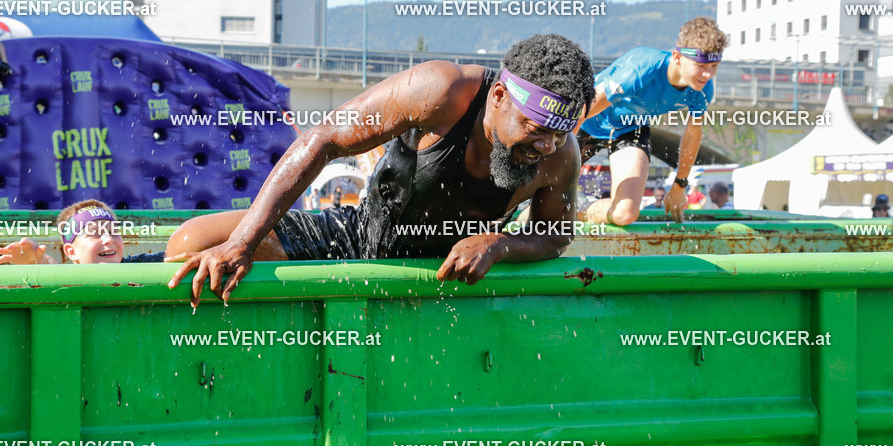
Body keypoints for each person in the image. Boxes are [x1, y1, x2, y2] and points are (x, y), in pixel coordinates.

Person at [167, 34, 595, 305]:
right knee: (194, 241)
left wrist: (500, 245)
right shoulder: (442, 92)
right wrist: (241, 243)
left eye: (560, 134)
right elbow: (324, 139)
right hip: (360, 240)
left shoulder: (560, 154)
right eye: (536, 129)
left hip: (447, 283)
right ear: (499, 95)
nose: (546, 146)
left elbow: (554, 235)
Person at [575, 17, 726, 225]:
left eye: (714, 66)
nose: (708, 74)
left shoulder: (702, 90)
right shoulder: (642, 70)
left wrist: (680, 185)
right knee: (544, 197)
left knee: (625, 213)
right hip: (587, 120)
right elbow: (583, 109)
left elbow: (693, 135)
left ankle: (574, 214)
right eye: (701, 66)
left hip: (630, 129)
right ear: (677, 57)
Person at [0, 200, 162, 264]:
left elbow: (176, 256)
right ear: (71, 252)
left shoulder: (134, 266)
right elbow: (50, 268)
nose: (108, 239)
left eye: (113, 232)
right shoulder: (67, 279)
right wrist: (34, 260)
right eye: (95, 234)